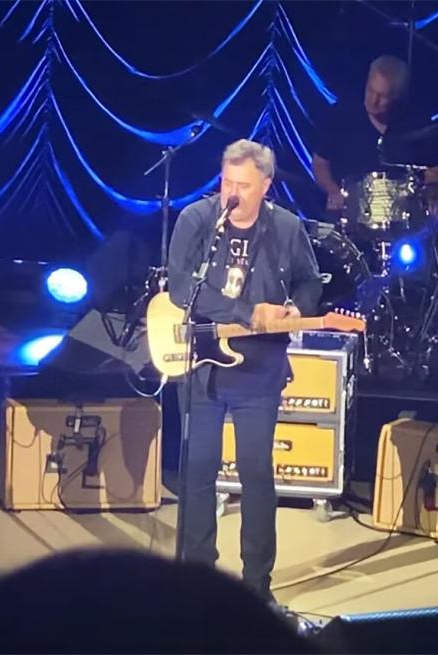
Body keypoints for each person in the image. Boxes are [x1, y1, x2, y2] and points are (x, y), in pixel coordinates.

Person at [166, 139, 323, 604]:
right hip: (202, 366)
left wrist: (293, 308)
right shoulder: (196, 220)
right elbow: (180, 287)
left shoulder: (287, 228)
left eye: (244, 186)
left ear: (266, 186)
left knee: (257, 475)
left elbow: (310, 281)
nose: (232, 194)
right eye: (227, 183)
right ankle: (197, 582)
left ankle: (257, 587)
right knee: (197, 471)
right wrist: (248, 310)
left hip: (259, 370)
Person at [311, 55, 438, 214]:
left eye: (383, 96)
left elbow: (434, 171)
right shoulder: (341, 114)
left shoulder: (416, 123)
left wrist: (431, 198)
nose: (373, 100)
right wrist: (332, 190)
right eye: (370, 90)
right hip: (348, 214)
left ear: (398, 97)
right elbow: (320, 163)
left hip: (401, 219)